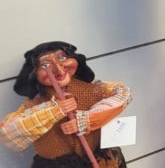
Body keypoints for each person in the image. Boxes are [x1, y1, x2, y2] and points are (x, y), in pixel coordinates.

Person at [1, 41, 131, 167]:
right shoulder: (34, 105)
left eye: (62, 58)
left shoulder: (94, 90)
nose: (58, 69)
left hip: (99, 161)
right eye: (45, 65)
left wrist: (86, 120)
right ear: (34, 72)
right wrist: (54, 110)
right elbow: (8, 133)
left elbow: (124, 92)